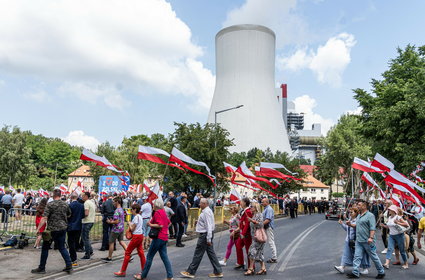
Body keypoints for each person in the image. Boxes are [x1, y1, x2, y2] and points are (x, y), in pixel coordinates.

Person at [31, 189, 72, 274]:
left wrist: (38, 228)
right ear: (60, 195)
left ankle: (42, 268)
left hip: (52, 230)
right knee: (62, 248)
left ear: (53, 195)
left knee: (45, 248)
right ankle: (69, 265)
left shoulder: (50, 205)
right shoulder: (65, 204)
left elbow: (44, 217)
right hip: (62, 228)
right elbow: (69, 214)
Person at [180, 198, 223, 278]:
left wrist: (208, 239)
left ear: (204, 204)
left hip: (205, 235)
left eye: (200, 203)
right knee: (211, 254)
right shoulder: (206, 211)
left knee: (198, 254)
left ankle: (190, 272)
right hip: (206, 235)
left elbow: (209, 226)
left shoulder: (206, 212)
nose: (199, 205)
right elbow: (207, 224)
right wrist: (198, 222)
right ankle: (218, 271)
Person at [134, 199, 173, 280]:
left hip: (158, 237)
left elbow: (160, 225)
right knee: (164, 257)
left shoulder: (158, 212)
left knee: (149, 257)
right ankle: (170, 276)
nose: (152, 206)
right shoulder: (163, 212)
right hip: (164, 237)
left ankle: (143, 275)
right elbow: (169, 223)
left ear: (156, 205)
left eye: (153, 204)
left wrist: (150, 224)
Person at [346, 200, 385, 279]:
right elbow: (357, 226)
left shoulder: (370, 215)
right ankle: (355, 272)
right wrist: (350, 224)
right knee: (357, 257)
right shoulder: (359, 215)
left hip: (367, 241)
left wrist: (371, 237)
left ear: (364, 206)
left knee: (374, 257)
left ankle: (381, 272)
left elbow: (372, 228)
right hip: (359, 240)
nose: (357, 206)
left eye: (359, 205)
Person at [334, 206, 370, 274]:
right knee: (346, 254)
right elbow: (347, 229)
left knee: (359, 255)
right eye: (349, 212)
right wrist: (342, 224)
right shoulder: (350, 220)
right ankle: (342, 267)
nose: (350, 213)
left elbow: (357, 228)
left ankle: (365, 269)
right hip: (348, 240)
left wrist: (350, 224)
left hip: (356, 241)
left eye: (351, 212)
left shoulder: (358, 220)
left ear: (356, 213)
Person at [114, 204, 146, 277]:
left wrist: (129, 224)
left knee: (127, 252)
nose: (131, 211)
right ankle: (144, 270)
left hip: (136, 236)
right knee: (141, 253)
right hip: (140, 235)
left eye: (132, 209)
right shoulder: (140, 217)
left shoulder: (135, 218)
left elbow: (132, 229)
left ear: (135, 210)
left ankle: (122, 271)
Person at [380, 205, 409, 269]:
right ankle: (387, 263)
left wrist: (398, 222)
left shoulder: (398, 217)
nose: (388, 211)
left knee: (402, 250)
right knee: (389, 249)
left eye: (390, 210)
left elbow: (406, 225)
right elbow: (390, 226)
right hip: (391, 236)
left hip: (399, 235)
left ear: (393, 211)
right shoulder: (390, 217)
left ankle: (406, 263)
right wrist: (384, 226)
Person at [102, 197, 127, 262]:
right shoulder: (121, 209)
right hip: (121, 228)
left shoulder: (116, 211)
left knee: (111, 242)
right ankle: (128, 255)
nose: (113, 203)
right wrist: (113, 220)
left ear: (117, 202)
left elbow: (116, 221)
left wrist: (110, 222)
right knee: (121, 241)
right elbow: (119, 220)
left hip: (116, 229)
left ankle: (109, 257)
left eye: (114, 202)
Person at [244, 202, 267, 276]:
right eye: (250, 206)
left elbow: (261, 224)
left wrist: (252, 221)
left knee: (251, 251)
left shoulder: (259, 214)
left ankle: (251, 268)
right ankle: (263, 268)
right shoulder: (254, 215)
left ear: (256, 207)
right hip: (255, 237)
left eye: (252, 206)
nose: (250, 208)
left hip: (258, 237)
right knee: (259, 252)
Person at [67, 193, 85, 267]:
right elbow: (83, 215)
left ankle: (73, 258)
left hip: (71, 226)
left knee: (71, 243)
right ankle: (74, 258)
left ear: (71, 197)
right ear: (77, 197)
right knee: (75, 242)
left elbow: (67, 215)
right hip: (78, 225)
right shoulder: (81, 205)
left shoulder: (70, 205)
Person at [235, 197, 253, 270]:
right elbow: (242, 222)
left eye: (241, 201)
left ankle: (251, 267)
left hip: (246, 234)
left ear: (245, 203)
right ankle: (240, 262)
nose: (240, 203)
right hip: (242, 233)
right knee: (238, 246)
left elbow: (247, 224)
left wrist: (243, 233)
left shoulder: (248, 211)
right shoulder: (243, 211)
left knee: (248, 250)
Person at [261, 198, 277, 263]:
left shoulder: (269, 209)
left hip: (268, 227)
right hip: (265, 227)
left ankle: (274, 257)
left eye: (263, 202)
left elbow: (268, 220)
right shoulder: (266, 209)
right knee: (262, 241)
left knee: (270, 242)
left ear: (267, 202)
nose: (261, 203)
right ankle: (260, 256)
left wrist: (260, 225)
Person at [81, 192, 96, 260]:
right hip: (91, 221)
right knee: (86, 237)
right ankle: (90, 250)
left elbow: (86, 213)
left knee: (85, 238)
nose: (82, 197)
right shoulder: (91, 202)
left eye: (83, 196)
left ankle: (87, 254)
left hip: (86, 222)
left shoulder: (86, 203)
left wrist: (80, 217)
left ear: (86, 196)